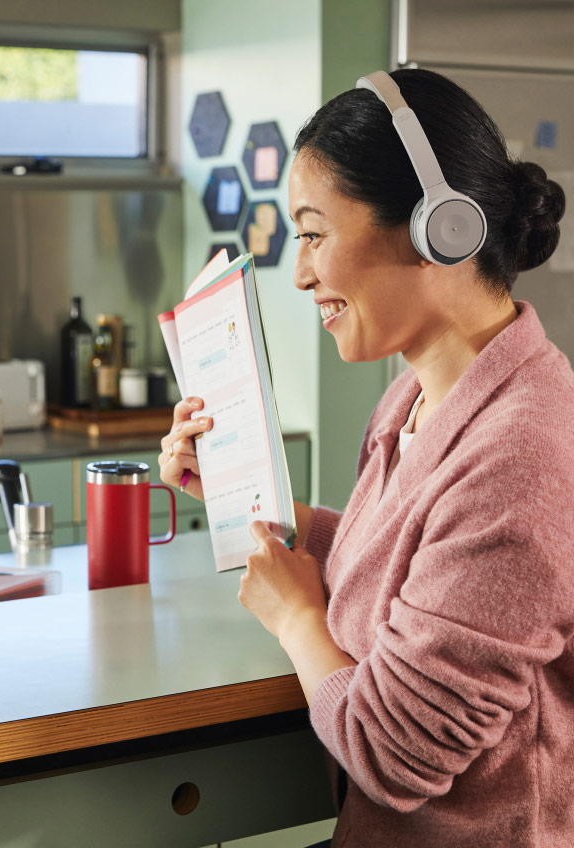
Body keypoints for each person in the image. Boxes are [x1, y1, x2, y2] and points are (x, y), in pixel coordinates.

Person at [160, 68, 571, 847]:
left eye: (313, 233)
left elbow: (392, 753)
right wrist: (258, 503)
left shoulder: (524, 454)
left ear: (436, 228)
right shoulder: (412, 398)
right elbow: (411, 556)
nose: (301, 271)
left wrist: (297, 617)